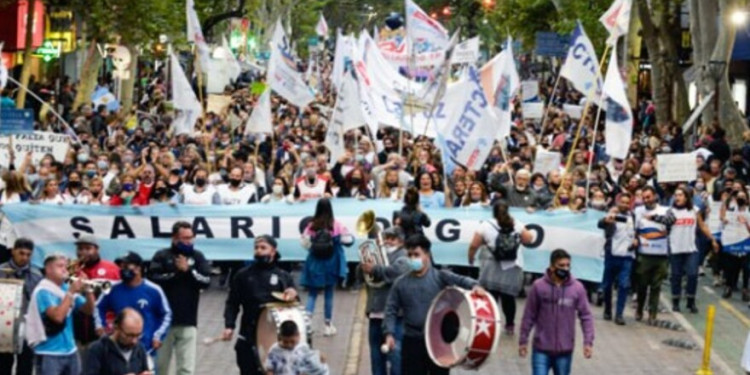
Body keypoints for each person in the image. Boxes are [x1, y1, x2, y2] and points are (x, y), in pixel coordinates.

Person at [384, 234, 486, 375]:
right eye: (410, 255)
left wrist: (475, 286)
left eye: (417, 254)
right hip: (412, 341)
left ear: (427, 254)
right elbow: (391, 309)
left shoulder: (440, 276)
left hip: (437, 342)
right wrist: (389, 333)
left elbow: (462, 280)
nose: (413, 258)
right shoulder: (400, 283)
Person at [222, 235, 299, 375]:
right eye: (256, 248)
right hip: (247, 334)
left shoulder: (283, 276)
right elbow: (232, 303)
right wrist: (229, 325)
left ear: (273, 251)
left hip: (274, 337)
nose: (258, 251)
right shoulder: (243, 275)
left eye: (263, 248)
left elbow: (295, 306)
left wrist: (293, 294)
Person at [149, 222, 212, 375]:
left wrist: (188, 271)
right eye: (184, 238)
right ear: (174, 238)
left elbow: (206, 282)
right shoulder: (162, 256)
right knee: (161, 367)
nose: (188, 241)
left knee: (186, 369)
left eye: (191, 238)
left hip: (188, 320)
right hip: (163, 322)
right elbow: (152, 280)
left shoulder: (198, 257)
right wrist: (176, 273)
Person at [518, 249, 595, 375]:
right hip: (541, 349)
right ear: (552, 267)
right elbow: (529, 316)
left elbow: (586, 316)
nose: (565, 269)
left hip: (564, 351)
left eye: (568, 265)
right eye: (561, 265)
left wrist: (588, 342)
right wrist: (523, 341)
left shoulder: (577, 288)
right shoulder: (538, 286)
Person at [468, 201, 534, 336]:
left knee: (491, 296)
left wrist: (471, 258)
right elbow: (529, 239)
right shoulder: (517, 223)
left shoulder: (486, 225)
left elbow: (474, 245)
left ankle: (490, 323)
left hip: (491, 265)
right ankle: (509, 325)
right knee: (508, 297)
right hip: (513, 265)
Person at [26, 254, 96, 375]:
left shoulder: (66, 287)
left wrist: (89, 290)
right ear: (48, 269)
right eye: (60, 266)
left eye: (65, 266)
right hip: (49, 352)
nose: (65, 269)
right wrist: (70, 293)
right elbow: (58, 317)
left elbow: (89, 310)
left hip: (71, 350)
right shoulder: (43, 291)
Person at [95, 252, 172, 357]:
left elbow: (166, 314)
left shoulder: (154, 290)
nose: (122, 270)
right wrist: (100, 326)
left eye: (126, 266)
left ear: (138, 268)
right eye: (121, 267)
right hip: (117, 350)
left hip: (146, 349)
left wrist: (158, 336)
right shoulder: (111, 288)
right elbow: (98, 307)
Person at [359, 226, 410, 375]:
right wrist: (362, 266)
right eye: (386, 237)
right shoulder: (377, 255)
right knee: (376, 356)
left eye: (392, 238)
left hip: (395, 316)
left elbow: (397, 272)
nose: (387, 241)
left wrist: (374, 269)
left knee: (395, 356)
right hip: (375, 313)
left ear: (401, 241)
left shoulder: (404, 257)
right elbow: (363, 279)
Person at [659, 187, 718, 313]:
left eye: (680, 195)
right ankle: (675, 301)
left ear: (686, 197)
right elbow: (663, 228)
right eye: (675, 195)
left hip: (691, 248)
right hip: (675, 248)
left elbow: (702, 226)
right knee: (676, 276)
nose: (677, 197)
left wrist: (712, 239)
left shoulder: (694, 210)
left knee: (692, 275)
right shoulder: (670, 211)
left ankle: (691, 301)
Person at [300, 198, 352, 336]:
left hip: (315, 262)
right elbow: (348, 241)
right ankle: (328, 325)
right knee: (329, 294)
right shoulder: (336, 225)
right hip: (332, 263)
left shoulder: (311, 226)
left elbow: (304, 243)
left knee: (312, 294)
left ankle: (307, 323)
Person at [71, 235, 121, 356]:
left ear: (97, 249)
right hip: (77, 332)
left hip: (104, 330)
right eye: (80, 249)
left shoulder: (112, 269)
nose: (83, 252)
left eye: (88, 248)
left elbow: (120, 298)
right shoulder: (72, 270)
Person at [0, 238, 43, 375]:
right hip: (3, 324)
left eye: (28, 255)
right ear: (13, 251)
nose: (24, 257)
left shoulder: (36, 275)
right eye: (21, 253)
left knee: (26, 364)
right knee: (3, 364)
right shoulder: (1, 271)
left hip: (27, 324)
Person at [597, 193, 637, 325]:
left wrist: (637, 240)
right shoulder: (611, 214)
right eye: (622, 202)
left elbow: (638, 232)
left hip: (627, 256)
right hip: (612, 254)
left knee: (623, 285)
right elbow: (600, 224)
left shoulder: (634, 216)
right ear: (618, 202)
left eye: (627, 202)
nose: (625, 205)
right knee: (607, 285)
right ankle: (608, 309)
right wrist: (607, 220)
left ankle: (619, 314)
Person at [634, 185, 670, 323]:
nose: (646, 200)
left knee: (656, 286)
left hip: (661, 254)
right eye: (643, 198)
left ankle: (652, 313)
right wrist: (635, 239)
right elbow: (634, 229)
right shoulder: (638, 211)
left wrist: (655, 218)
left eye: (648, 197)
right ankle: (639, 309)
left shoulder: (665, 210)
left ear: (655, 196)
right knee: (642, 285)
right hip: (644, 254)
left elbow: (671, 223)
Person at [83, 308, 152, 375]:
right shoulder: (97, 350)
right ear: (116, 327)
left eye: (138, 335)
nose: (134, 341)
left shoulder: (140, 349)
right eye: (129, 335)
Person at [263, 321, 328, 375]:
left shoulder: (303, 348)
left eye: (292, 341)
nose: (289, 345)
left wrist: (319, 356)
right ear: (280, 337)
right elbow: (269, 368)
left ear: (298, 335)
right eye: (285, 342)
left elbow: (312, 361)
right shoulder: (274, 350)